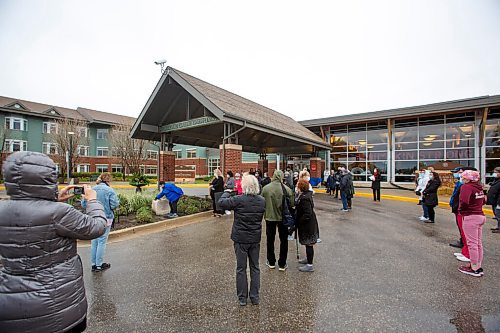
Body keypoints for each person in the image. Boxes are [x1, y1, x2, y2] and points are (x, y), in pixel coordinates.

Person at [0, 151, 107, 333]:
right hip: (58, 303)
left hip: (10, 303)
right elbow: (96, 227)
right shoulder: (59, 213)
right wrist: (93, 201)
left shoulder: (3, 209)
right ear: (48, 178)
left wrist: (53, 199)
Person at [218, 174, 265, 306]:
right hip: (255, 238)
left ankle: (242, 298)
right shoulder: (262, 201)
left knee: (241, 268)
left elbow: (221, 203)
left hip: (240, 238)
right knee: (255, 267)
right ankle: (255, 297)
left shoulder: (239, 200)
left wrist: (227, 192)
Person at [82, 172, 120, 272]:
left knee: (94, 241)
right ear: (108, 180)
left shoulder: (92, 189)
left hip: (92, 217)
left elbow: (84, 204)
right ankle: (99, 265)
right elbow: (115, 204)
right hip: (106, 217)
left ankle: (93, 264)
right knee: (102, 241)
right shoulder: (110, 190)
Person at [261, 170, 294, 271]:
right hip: (283, 218)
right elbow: (292, 205)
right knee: (284, 240)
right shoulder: (287, 189)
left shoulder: (265, 189)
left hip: (269, 217)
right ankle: (282, 264)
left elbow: (261, 203)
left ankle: (271, 261)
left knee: (270, 240)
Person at [458, 170, 486, 277]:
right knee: (478, 243)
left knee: (472, 244)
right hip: (480, 215)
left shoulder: (466, 187)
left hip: (471, 217)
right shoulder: (478, 188)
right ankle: (477, 265)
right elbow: (483, 200)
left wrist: (462, 211)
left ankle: (474, 268)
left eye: (464, 177)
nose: (462, 179)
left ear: (468, 178)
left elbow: (464, 201)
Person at [294, 179, 320, 272]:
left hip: (307, 225)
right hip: (308, 223)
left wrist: (299, 221)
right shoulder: (305, 195)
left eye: (298, 185)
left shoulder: (305, 198)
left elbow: (307, 213)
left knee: (309, 243)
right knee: (307, 243)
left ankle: (310, 265)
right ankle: (308, 259)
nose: (296, 187)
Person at [486, 167, 500, 233]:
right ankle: (498, 226)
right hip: (494, 201)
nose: (494, 174)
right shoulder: (496, 180)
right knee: (496, 214)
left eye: (496, 172)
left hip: (498, 202)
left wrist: (499, 203)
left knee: (498, 214)